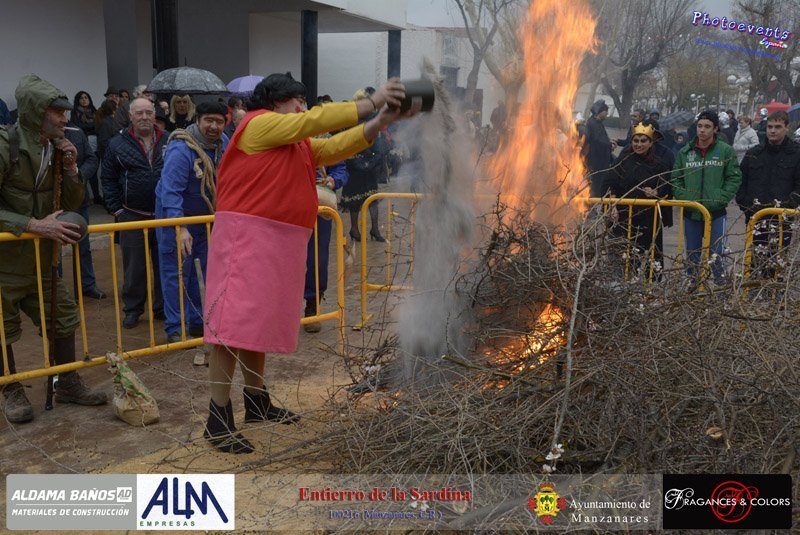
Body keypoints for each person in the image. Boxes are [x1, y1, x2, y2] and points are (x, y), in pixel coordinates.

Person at [200, 73, 416, 453]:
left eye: (303, 101)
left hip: (273, 242)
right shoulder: (259, 125)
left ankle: (256, 401)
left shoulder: (292, 141)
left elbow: (332, 148)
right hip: (245, 240)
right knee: (230, 329)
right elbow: (314, 122)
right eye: (296, 101)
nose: (302, 107)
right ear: (275, 103)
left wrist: (380, 121)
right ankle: (217, 419)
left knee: (255, 326)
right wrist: (371, 102)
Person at [0, 74, 108, 423]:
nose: (65, 118)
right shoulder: (5, 145)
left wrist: (73, 168)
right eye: (57, 112)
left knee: (63, 317)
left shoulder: (58, 148)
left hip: (41, 261)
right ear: (36, 112)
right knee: (2, 328)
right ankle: (10, 388)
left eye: (65, 112)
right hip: (5, 263)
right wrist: (33, 225)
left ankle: (66, 382)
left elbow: (72, 203)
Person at [155, 101, 228, 344]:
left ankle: (198, 321)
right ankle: (177, 327)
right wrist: (180, 227)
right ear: (198, 120)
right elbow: (171, 191)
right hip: (176, 219)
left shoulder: (223, 144)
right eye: (209, 120)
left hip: (205, 219)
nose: (213, 126)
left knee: (204, 271)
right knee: (176, 273)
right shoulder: (181, 148)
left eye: (219, 121)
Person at [101, 97, 167, 329]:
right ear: (130, 116)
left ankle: (162, 308)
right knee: (134, 268)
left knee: (164, 265)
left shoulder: (169, 140)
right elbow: (107, 178)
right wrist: (117, 209)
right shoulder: (116, 144)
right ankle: (133, 309)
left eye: (149, 112)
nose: (145, 117)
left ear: (155, 115)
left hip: (163, 216)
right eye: (139, 113)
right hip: (132, 215)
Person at [672, 110, 742, 286]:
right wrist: (686, 198)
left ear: (715, 129)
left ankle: (720, 284)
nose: (702, 130)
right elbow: (676, 179)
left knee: (717, 253)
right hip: (692, 212)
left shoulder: (725, 151)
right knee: (692, 254)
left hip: (716, 212)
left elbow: (734, 178)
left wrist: (721, 197)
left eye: (707, 126)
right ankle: (692, 284)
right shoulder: (685, 152)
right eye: (700, 126)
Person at [736, 110, 800, 279]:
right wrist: (745, 204)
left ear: (786, 127)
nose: (773, 131)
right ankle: (753, 291)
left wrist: (787, 207)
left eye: (777, 127)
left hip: (782, 220)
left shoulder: (796, 153)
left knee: (776, 265)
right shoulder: (754, 153)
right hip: (755, 218)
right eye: (770, 127)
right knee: (753, 263)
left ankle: (774, 292)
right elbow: (740, 181)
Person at [607, 122, 672, 269]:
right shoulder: (622, 160)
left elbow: (667, 186)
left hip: (648, 220)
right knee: (623, 260)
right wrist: (612, 205)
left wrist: (656, 192)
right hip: (624, 218)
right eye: (636, 141)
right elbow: (609, 183)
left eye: (643, 141)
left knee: (651, 261)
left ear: (650, 143)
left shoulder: (659, 165)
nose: (639, 144)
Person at [340, 88, 391, 242]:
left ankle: (372, 229)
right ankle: (356, 229)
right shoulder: (351, 118)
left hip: (367, 163)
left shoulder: (369, 117)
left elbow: (378, 140)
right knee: (356, 200)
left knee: (371, 198)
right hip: (356, 164)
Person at [303, 160, 348, 333]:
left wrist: (333, 180)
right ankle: (282, 309)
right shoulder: (285, 143)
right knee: (285, 261)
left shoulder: (326, 145)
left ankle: (313, 305)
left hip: (320, 208)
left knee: (317, 260)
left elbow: (340, 169)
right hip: (288, 206)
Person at [63, 126, 106, 300]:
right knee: (53, 250)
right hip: (52, 201)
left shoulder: (76, 133)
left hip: (79, 199)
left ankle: (87, 285)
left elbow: (91, 159)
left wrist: (78, 174)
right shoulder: (41, 134)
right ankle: (57, 291)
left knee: (83, 245)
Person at [582, 99, 615, 197]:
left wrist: (609, 142)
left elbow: (602, 138)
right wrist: (609, 145)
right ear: (600, 111)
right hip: (596, 161)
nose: (607, 114)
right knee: (596, 184)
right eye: (606, 111)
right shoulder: (593, 123)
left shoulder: (597, 123)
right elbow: (597, 141)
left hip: (600, 160)